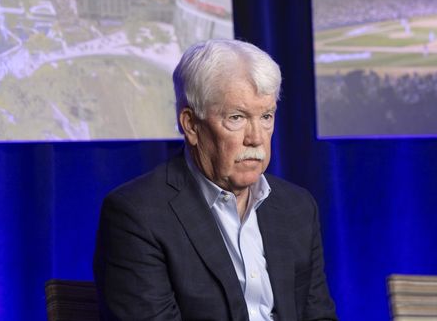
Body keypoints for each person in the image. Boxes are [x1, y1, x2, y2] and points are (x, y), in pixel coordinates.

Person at [94, 39, 337, 320]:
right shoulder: (137, 216)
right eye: (237, 117)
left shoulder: (298, 208)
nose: (256, 137)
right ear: (191, 125)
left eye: (266, 116)